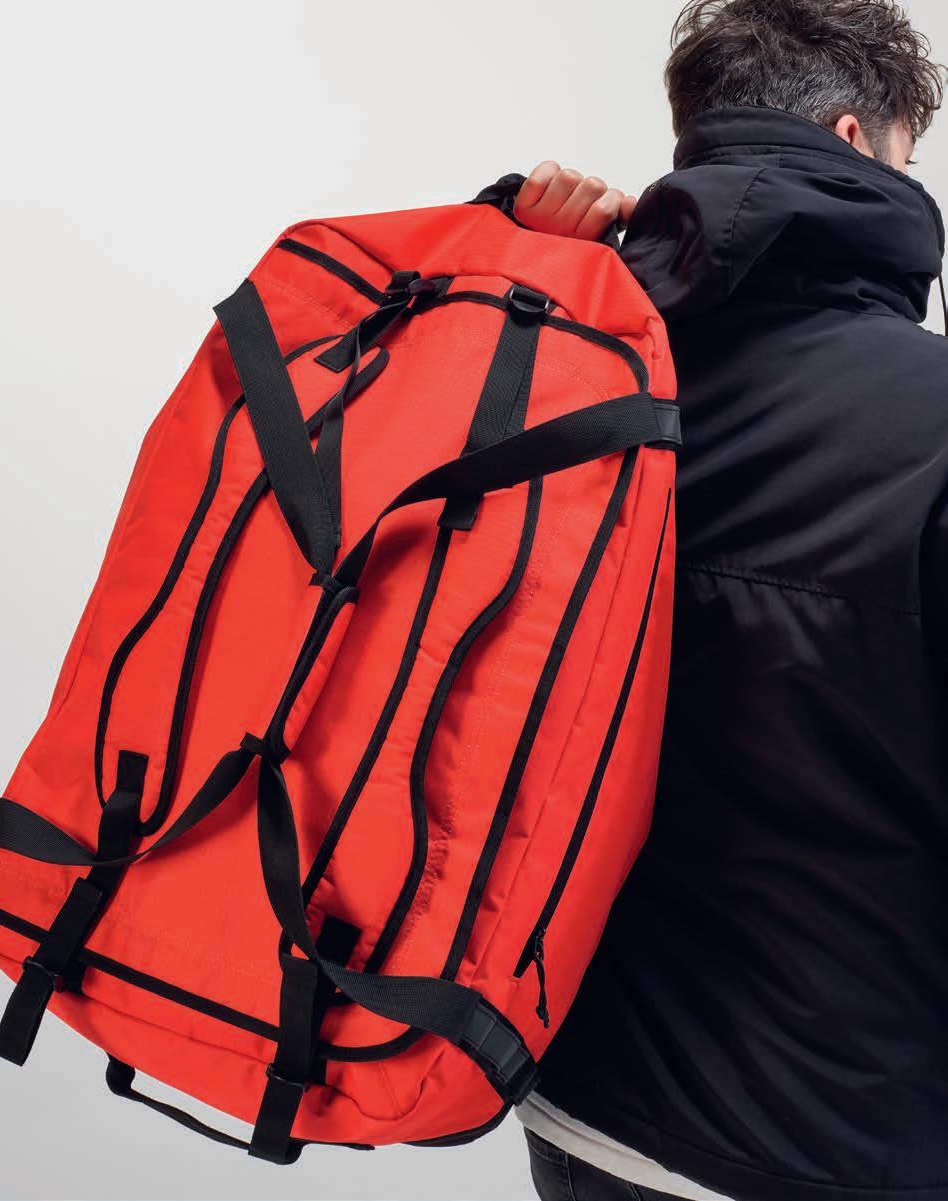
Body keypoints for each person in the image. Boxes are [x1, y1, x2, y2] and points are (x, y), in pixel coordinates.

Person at [509, 2, 948, 1199]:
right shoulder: (928, 421)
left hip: (573, 1093)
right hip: (825, 1145)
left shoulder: (554, 368)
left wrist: (512, 259)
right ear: (858, 140)